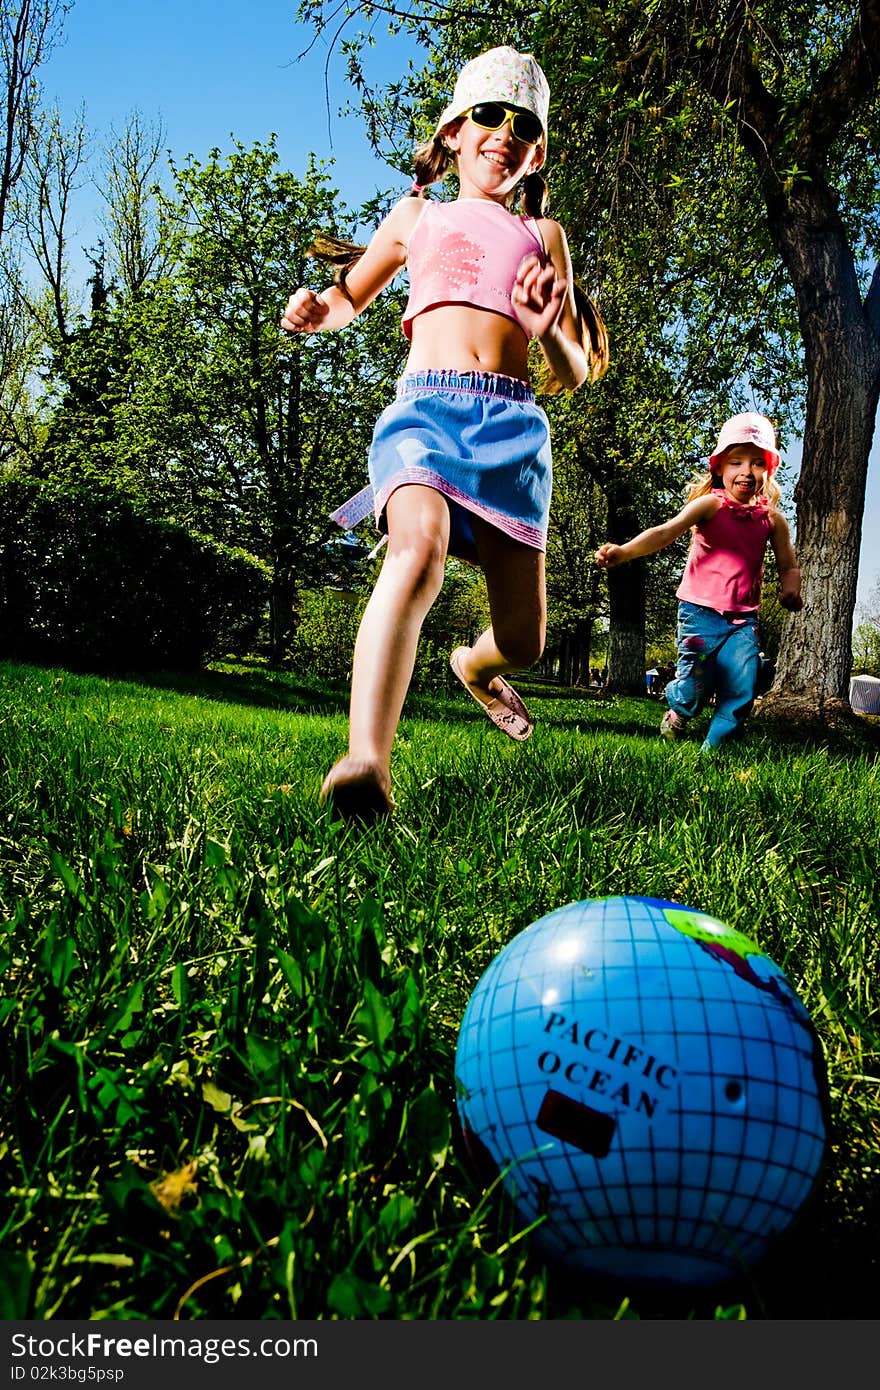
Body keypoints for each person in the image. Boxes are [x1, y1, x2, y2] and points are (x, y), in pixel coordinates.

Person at [281, 46, 609, 820]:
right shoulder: (415, 217)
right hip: (424, 413)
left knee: (525, 640)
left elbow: (572, 366)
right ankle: (367, 760)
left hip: (514, 431)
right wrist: (312, 310)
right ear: (455, 132)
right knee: (415, 553)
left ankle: (473, 662)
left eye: (524, 125)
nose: (506, 132)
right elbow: (348, 299)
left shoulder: (545, 236)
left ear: (538, 152)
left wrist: (545, 325)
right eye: (490, 116)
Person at [595, 412, 802, 752]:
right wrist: (624, 552)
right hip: (699, 614)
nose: (747, 471)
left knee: (742, 683)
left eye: (757, 463)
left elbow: (788, 563)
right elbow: (665, 532)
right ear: (720, 467)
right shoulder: (710, 506)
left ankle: (714, 748)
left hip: (742, 621)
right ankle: (677, 711)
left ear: (768, 470)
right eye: (736, 462)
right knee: (693, 686)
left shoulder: (772, 520)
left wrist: (790, 588)